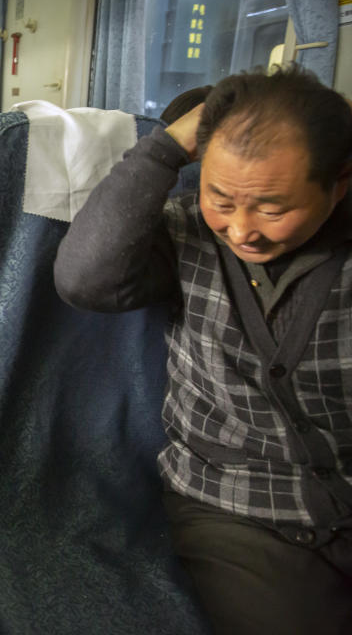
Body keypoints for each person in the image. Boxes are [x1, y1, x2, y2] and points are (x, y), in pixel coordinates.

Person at [54, 68, 352, 634]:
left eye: (271, 207)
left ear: (339, 182)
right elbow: (84, 280)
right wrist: (163, 149)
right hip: (237, 504)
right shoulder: (186, 232)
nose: (241, 231)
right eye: (221, 198)